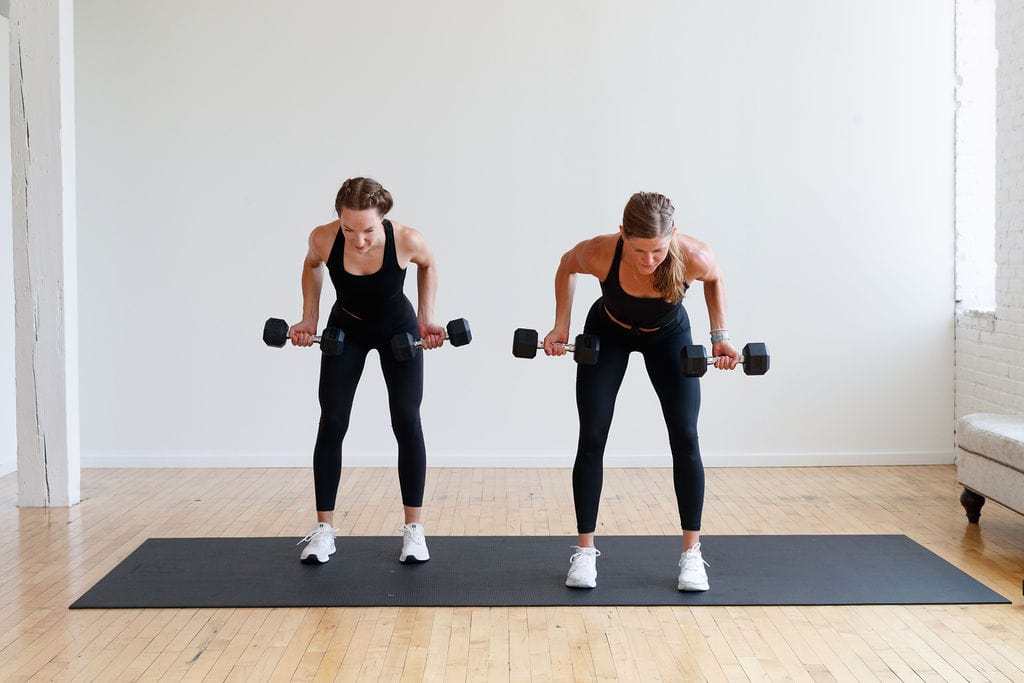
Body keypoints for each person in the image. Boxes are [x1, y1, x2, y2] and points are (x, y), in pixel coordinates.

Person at [544, 191, 739, 591]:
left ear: (673, 236)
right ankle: (584, 553)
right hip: (608, 333)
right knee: (593, 435)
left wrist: (719, 336)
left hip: (669, 337)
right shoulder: (601, 252)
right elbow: (567, 265)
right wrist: (561, 325)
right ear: (622, 235)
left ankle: (692, 555)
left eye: (658, 251)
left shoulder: (695, 255)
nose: (649, 260)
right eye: (638, 250)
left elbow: (715, 279)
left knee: (685, 437)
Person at [289, 177, 445, 565]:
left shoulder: (408, 240)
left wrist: (426, 320)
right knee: (333, 421)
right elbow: (311, 266)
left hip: (399, 330)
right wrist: (309, 318)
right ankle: (324, 531)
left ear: (384, 220)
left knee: (407, 420)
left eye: (369, 230)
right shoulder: (323, 238)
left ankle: (414, 530)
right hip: (347, 329)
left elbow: (429, 265)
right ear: (338, 221)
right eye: (349, 229)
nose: (359, 240)